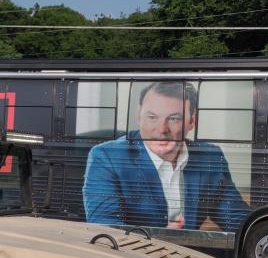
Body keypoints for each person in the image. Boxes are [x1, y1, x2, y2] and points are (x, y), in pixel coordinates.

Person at [82, 81, 249, 232]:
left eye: (174, 119)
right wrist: (160, 237)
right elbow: (104, 228)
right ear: (138, 116)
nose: (162, 130)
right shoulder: (106, 157)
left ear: (192, 121)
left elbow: (237, 220)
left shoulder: (209, 157)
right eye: (152, 117)